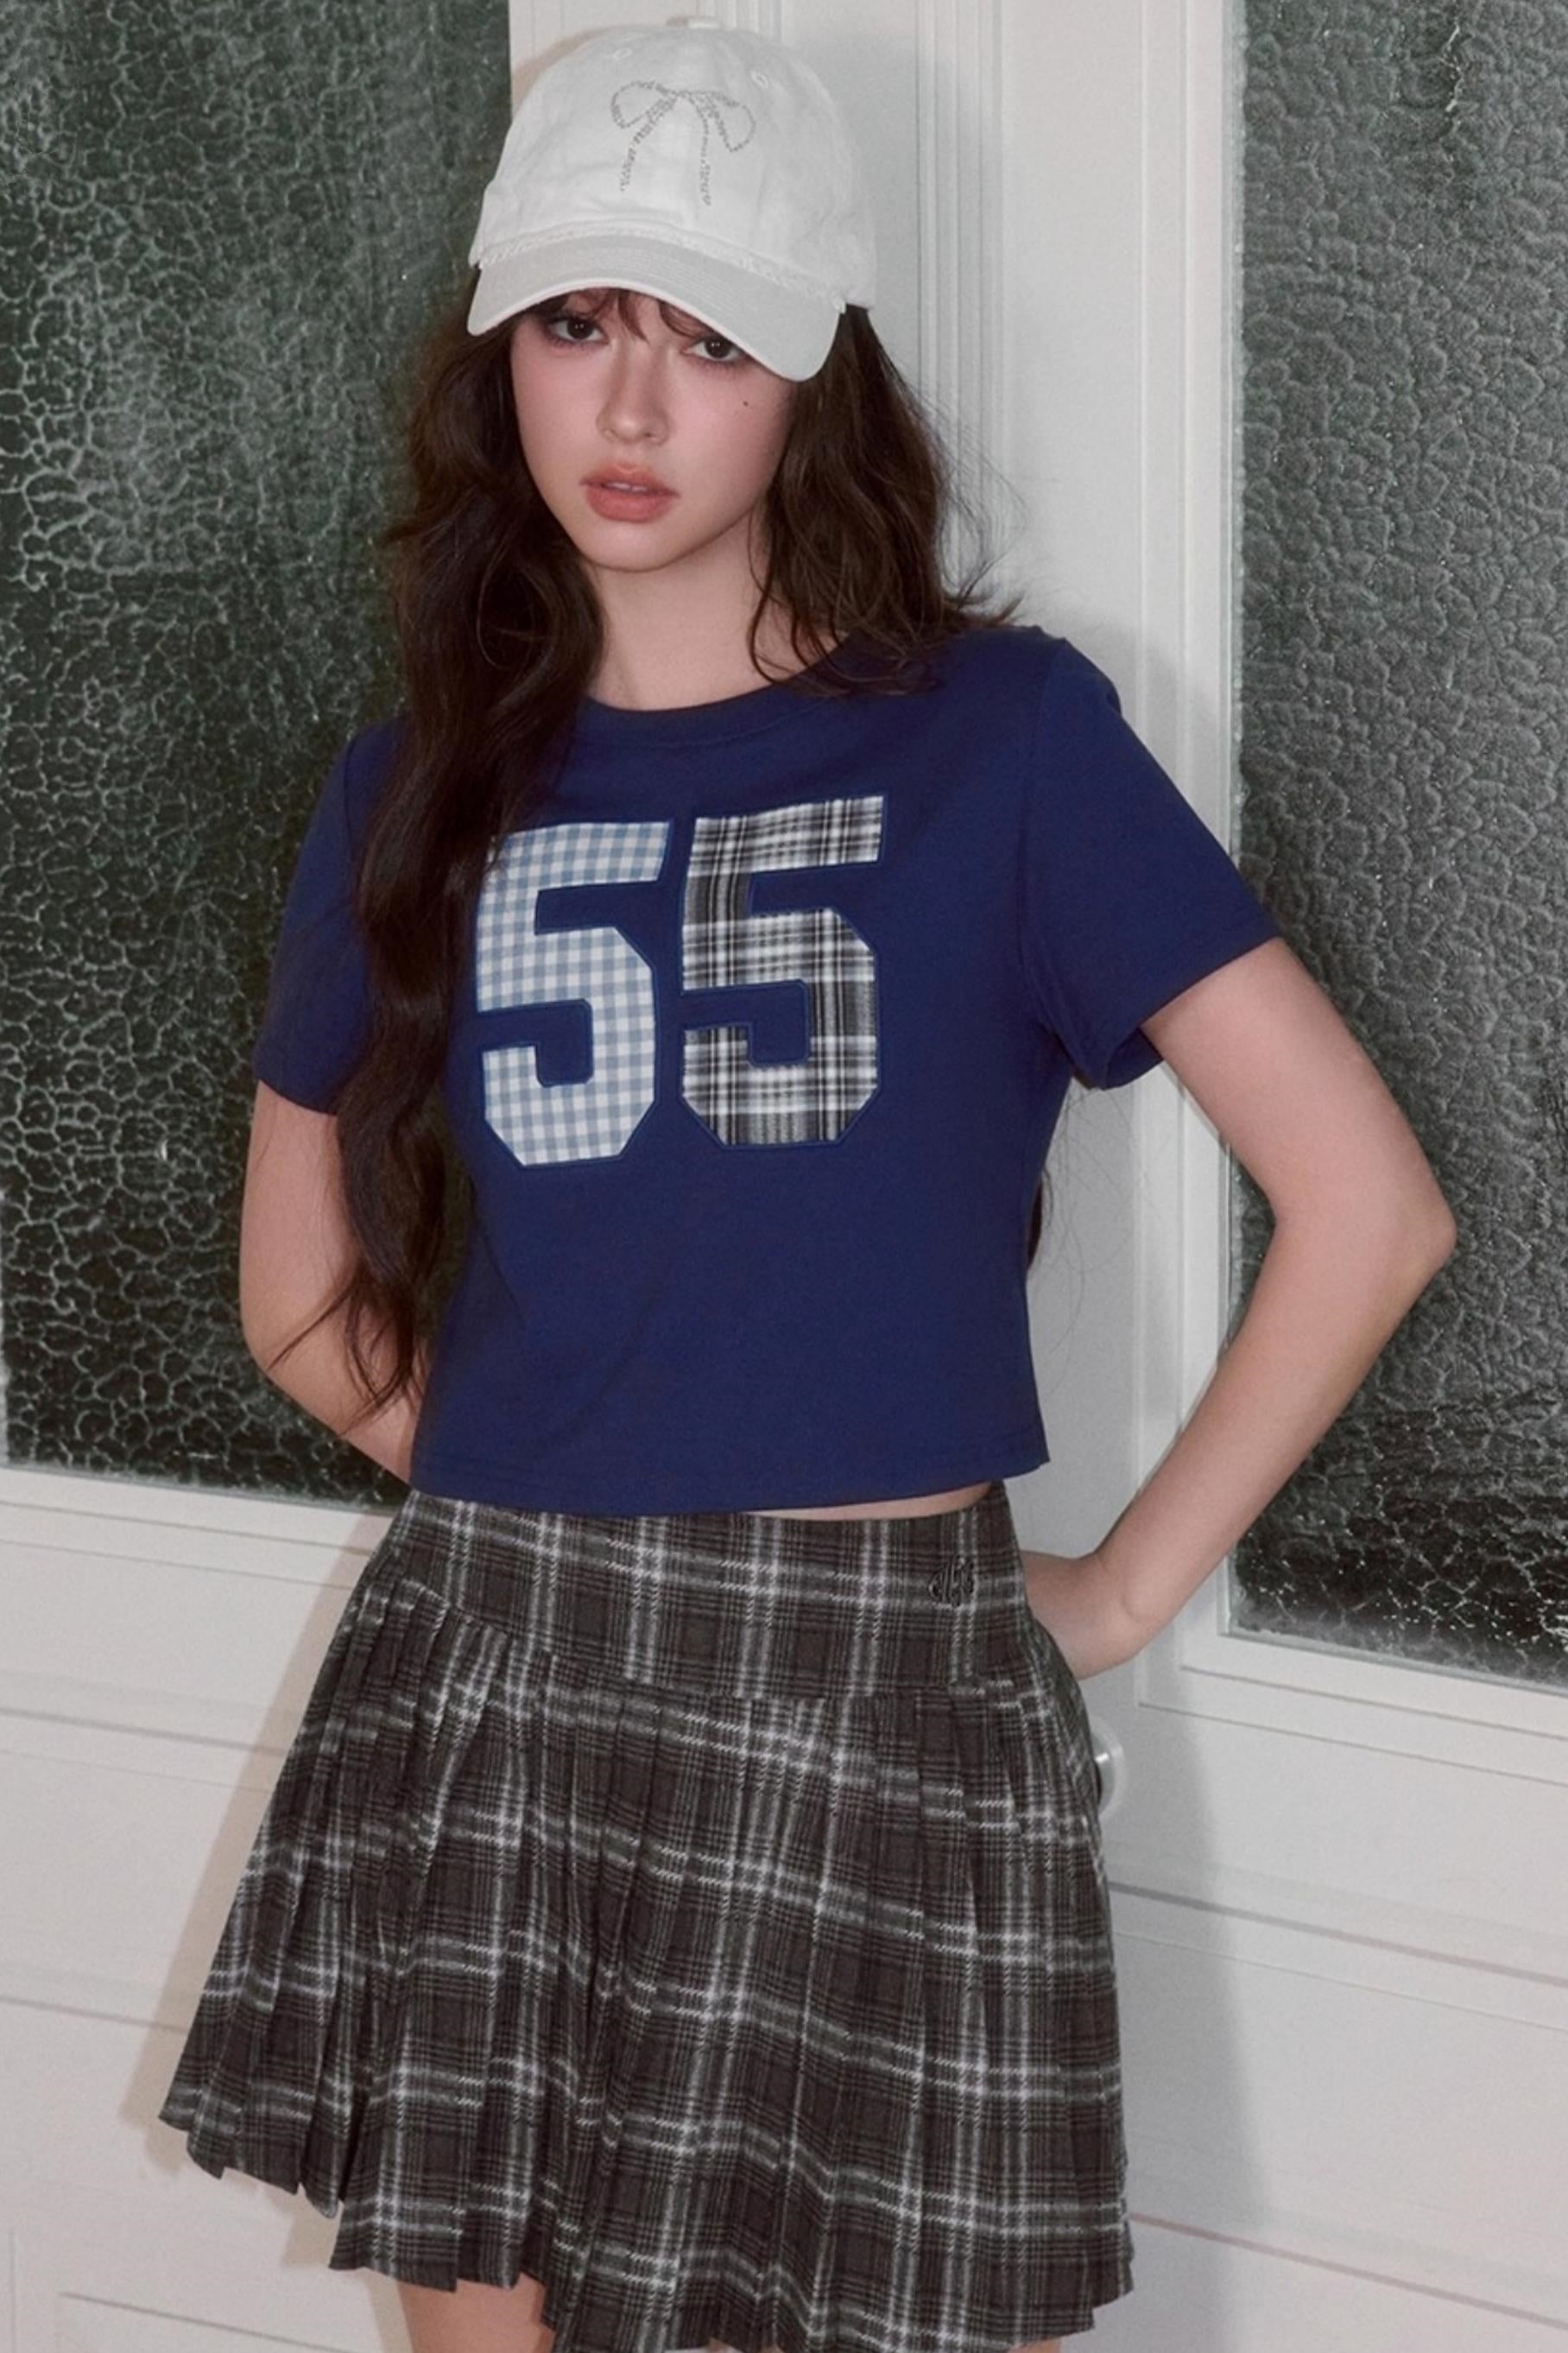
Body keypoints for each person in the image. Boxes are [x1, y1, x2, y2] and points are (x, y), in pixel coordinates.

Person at [155, 21, 1457, 2353]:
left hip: (873, 1707)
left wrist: (1124, 1587)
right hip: (503, 1683)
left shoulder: (1008, 742)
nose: (632, 407)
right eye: (578, 322)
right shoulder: (405, 788)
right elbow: (298, 1297)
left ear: (815, 377)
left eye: (712, 341)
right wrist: (548, 1505)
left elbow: (1369, 1206)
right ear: (497, 349)